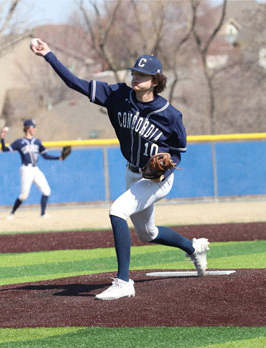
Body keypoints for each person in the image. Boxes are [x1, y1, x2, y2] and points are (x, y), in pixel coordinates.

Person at [30, 39, 209, 300]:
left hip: (157, 179)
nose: (136, 77)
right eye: (134, 72)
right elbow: (75, 83)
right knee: (148, 233)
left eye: (143, 74)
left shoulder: (170, 115)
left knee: (117, 210)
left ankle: (124, 282)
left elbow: (178, 153)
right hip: (133, 173)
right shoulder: (117, 95)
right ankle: (194, 247)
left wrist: (164, 171)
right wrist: (49, 55)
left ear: (156, 80)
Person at [0, 119, 63, 219]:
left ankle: (43, 214)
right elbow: (4, 150)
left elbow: (45, 155)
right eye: (33, 127)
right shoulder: (19, 142)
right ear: (28, 128)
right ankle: (12, 213)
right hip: (26, 169)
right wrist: (2, 137)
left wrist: (58, 158)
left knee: (46, 190)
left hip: (35, 169)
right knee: (24, 195)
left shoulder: (37, 141)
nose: (35, 129)